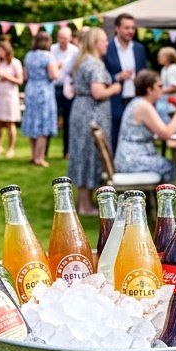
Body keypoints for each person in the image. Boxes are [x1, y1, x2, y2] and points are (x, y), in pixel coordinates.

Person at [67, 28, 122, 216]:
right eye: (104, 40)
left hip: (82, 111)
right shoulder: (94, 64)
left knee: (84, 154)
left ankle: (84, 201)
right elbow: (98, 92)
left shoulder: (84, 61)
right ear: (94, 43)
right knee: (88, 155)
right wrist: (115, 88)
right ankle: (84, 205)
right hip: (91, 115)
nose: (107, 44)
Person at [115, 69, 176, 190]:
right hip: (132, 160)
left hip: (129, 157)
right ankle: (173, 205)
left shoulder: (139, 103)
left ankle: (162, 201)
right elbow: (166, 134)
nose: (162, 89)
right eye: (159, 86)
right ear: (149, 89)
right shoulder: (144, 106)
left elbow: (161, 130)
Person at [105, 13, 149, 151]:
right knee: (114, 136)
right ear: (117, 28)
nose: (130, 31)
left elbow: (144, 73)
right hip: (115, 100)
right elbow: (101, 75)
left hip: (135, 100)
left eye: (133, 28)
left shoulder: (139, 49)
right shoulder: (107, 48)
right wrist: (117, 77)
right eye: (127, 28)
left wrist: (139, 78)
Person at [21, 31, 60, 166]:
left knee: (33, 122)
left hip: (31, 90)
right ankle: (39, 157)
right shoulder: (48, 56)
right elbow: (53, 75)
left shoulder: (29, 55)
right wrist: (59, 68)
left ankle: (33, 155)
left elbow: (25, 76)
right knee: (43, 124)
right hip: (44, 91)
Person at [0, 37, 23, 158]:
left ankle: (11, 148)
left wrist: (8, 77)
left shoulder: (15, 63)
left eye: (1, 51)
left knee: (10, 123)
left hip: (10, 95)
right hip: (0, 94)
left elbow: (20, 80)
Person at [51, 25, 79, 158]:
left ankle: (67, 151)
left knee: (68, 120)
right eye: (61, 38)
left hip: (68, 88)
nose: (63, 40)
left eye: (66, 38)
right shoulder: (52, 50)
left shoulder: (75, 51)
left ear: (70, 38)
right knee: (51, 118)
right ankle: (44, 152)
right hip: (54, 87)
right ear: (57, 38)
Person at [156, 46, 176, 121]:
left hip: (173, 102)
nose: (158, 58)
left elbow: (174, 88)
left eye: (160, 56)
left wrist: (160, 91)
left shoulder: (173, 69)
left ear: (168, 58)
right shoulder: (164, 69)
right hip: (166, 101)